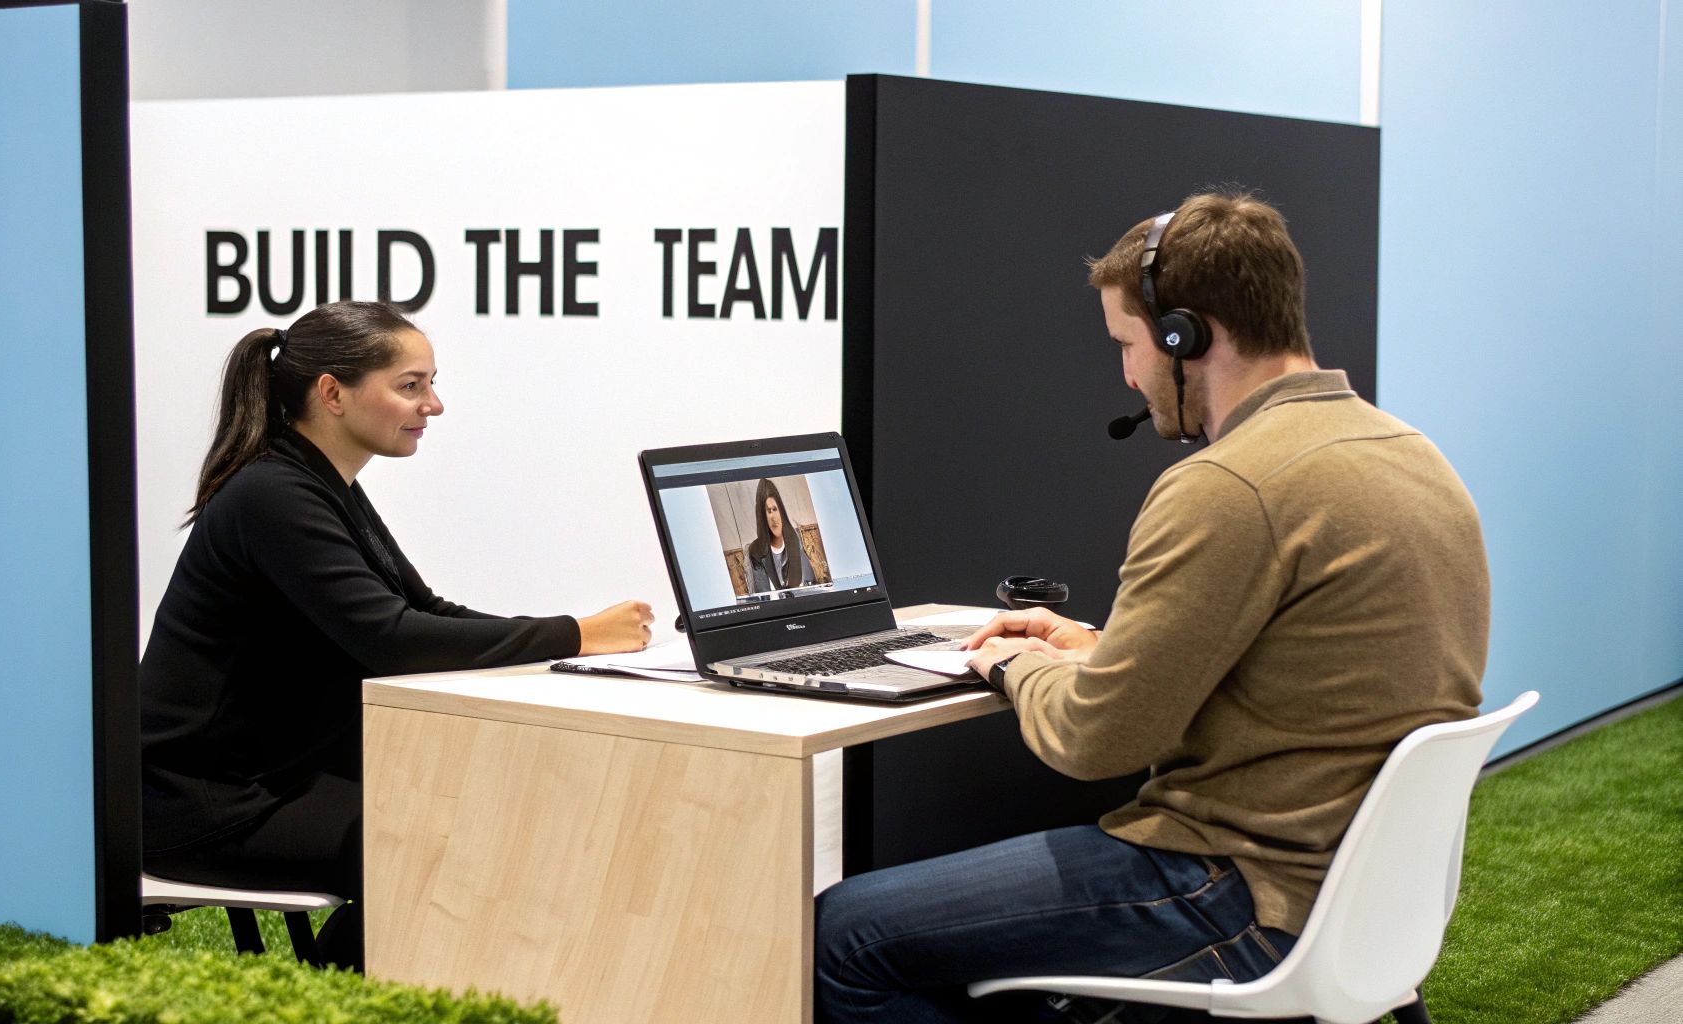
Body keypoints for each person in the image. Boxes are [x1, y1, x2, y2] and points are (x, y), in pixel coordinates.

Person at [812, 191, 1488, 1023]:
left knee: (843, 934)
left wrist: (1012, 660)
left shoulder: (1229, 485)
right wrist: (1100, 645)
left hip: (1236, 890)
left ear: (1186, 335)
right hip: (1362, 898)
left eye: (1128, 344)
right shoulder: (1411, 454)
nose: (1128, 374)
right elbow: (1296, 670)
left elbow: (1095, 741)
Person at [139, 301, 653, 970]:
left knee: (503, 821)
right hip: (205, 802)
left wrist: (575, 639)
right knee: (457, 852)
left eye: (431, 383)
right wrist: (573, 635)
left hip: (278, 773)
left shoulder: (322, 482)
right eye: (411, 386)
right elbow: (390, 637)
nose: (432, 405)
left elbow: (422, 609)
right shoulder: (272, 494)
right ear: (332, 393)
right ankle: (340, 996)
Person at [744, 477, 817, 594]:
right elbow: (763, 598)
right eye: (768, 511)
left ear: (781, 511)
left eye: (775, 509)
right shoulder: (756, 551)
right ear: (762, 517)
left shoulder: (794, 539)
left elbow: (812, 585)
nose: (773, 517)